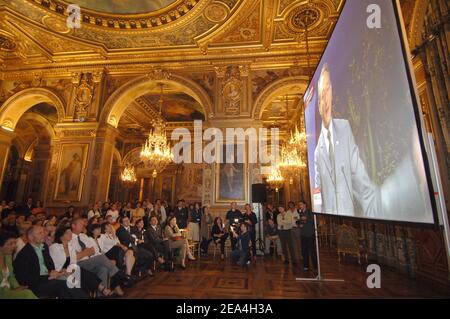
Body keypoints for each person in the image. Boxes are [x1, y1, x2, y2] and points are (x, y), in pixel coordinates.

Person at [313, 63, 381, 217]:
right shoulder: (318, 151)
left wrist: (374, 206)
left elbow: (359, 176)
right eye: (321, 93)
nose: (325, 95)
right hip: (330, 216)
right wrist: (318, 213)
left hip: (349, 213)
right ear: (318, 105)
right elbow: (317, 189)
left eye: (328, 88)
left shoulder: (344, 128)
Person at [13, 225, 87, 298]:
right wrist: (48, 276)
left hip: (49, 278)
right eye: (39, 233)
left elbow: (50, 264)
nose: (43, 235)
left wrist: (55, 272)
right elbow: (24, 278)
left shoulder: (44, 246)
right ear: (30, 237)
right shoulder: (24, 254)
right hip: (36, 284)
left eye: (43, 232)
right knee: (65, 284)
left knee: (73, 279)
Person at [50, 226, 113, 297]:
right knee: (81, 271)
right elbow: (54, 264)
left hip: (71, 269)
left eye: (71, 232)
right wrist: (63, 271)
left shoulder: (70, 247)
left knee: (101, 269)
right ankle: (102, 288)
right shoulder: (55, 247)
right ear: (61, 236)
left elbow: (73, 262)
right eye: (67, 233)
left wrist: (70, 270)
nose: (70, 234)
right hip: (59, 272)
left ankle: (101, 294)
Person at [70, 218, 125, 296]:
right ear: (73, 226)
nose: (83, 226)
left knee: (103, 269)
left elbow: (93, 250)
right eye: (81, 224)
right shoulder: (69, 237)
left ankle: (101, 295)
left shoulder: (83, 236)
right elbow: (74, 256)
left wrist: (84, 252)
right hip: (78, 264)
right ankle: (119, 275)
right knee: (101, 257)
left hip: (89, 261)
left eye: (83, 224)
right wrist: (86, 252)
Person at [0, 231, 37, 299]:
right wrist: (13, 290)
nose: (14, 246)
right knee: (27, 294)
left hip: (9, 289)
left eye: (15, 243)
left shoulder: (8, 256)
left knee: (27, 291)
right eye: (10, 244)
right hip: (2, 293)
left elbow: (11, 276)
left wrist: (18, 287)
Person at [299, 201, 318, 271]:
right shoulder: (301, 213)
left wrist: (305, 221)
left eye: (301, 204)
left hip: (310, 234)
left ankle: (315, 267)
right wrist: (299, 224)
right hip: (303, 234)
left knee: (312, 251)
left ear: (305, 205)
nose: (299, 206)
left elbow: (312, 221)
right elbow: (301, 222)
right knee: (304, 251)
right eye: (299, 205)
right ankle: (306, 265)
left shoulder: (310, 212)